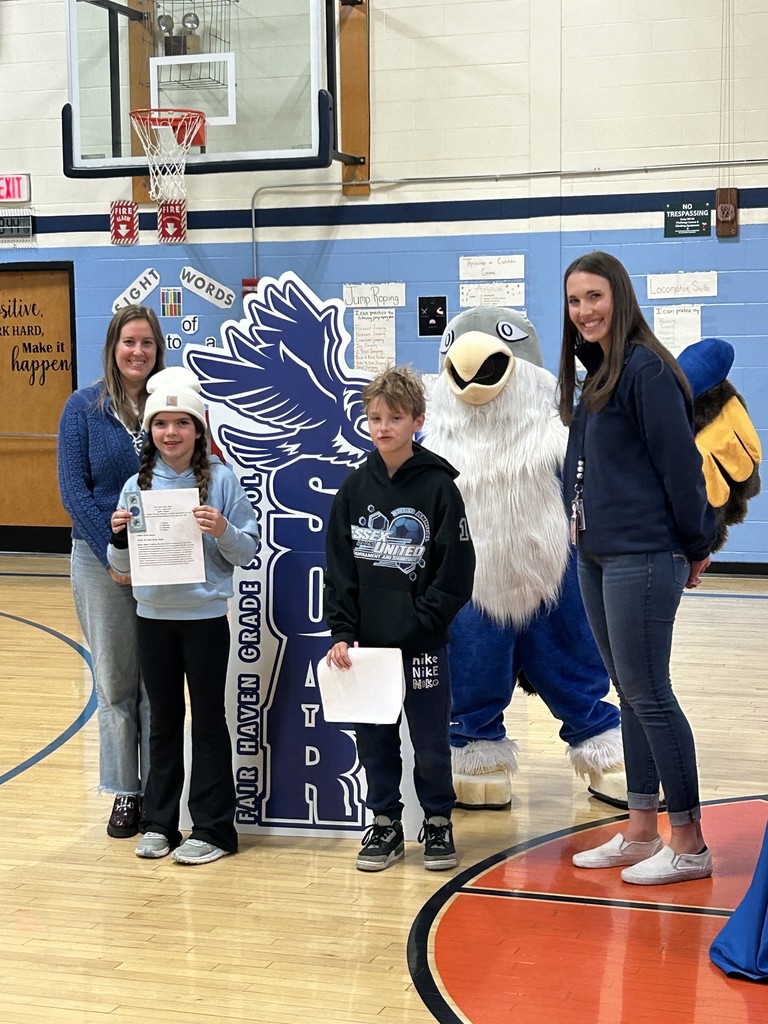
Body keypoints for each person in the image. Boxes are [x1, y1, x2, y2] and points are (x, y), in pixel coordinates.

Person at [558, 251, 718, 885]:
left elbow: (682, 468)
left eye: (595, 297)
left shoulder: (647, 370)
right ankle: (642, 828)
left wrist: (696, 540)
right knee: (627, 694)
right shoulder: (596, 376)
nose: (585, 311)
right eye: (574, 301)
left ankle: (690, 843)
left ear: (619, 298)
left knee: (650, 694)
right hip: (596, 554)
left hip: (644, 554)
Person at [324, 365, 476, 872]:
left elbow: (457, 572)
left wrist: (421, 622)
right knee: (375, 741)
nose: (383, 427)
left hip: (423, 645)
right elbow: (340, 571)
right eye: (374, 418)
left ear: (418, 420)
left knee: (431, 740)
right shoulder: (352, 490)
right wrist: (343, 632)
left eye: (394, 417)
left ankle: (437, 821)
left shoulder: (440, 488)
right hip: (368, 649)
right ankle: (385, 823)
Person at [108, 367, 259, 865]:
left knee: (209, 721)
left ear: (199, 430)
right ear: (150, 431)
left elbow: (247, 551)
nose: (170, 432)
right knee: (164, 722)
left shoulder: (221, 481)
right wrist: (118, 539)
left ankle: (213, 829)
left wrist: (221, 530)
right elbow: (120, 571)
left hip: (204, 618)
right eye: (161, 424)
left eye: (181, 423)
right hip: (153, 616)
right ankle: (160, 823)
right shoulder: (136, 485)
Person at [58, 305, 166, 838]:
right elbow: (74, 492)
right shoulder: (82, 407)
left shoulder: (169, 404)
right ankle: (127, 792)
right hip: (100, 562)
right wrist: (115, 553)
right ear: (112, 346)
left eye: (147, 343)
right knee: (117, 684)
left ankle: (162, 796)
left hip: (163, 561)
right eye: (129, 342)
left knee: (158, 684)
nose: (138, 352)